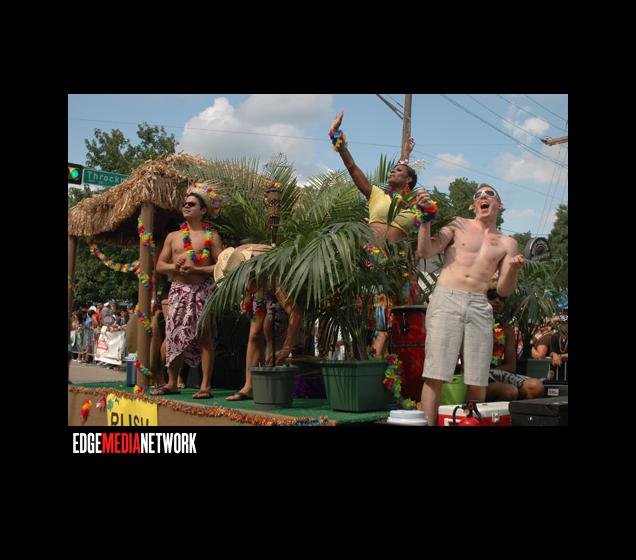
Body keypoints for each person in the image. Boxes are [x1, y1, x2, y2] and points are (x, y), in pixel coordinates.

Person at [416, 183, 525, 425]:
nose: (483, 197)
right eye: (478, 195)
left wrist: (513, 269)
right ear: (473, 205)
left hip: (479, 304)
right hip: (447, 298)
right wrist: (425, 220)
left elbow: (504, 290)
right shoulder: (458, 224)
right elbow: (426, 251)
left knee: (477, 380)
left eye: (490, 194)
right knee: (435, 375)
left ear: (500, 205)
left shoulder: (508, 243)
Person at [329, 110, 420, 355]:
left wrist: (405, 157)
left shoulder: (415, 207)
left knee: (399, 325)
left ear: (409, 181)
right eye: (392, 170)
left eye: (398, 171)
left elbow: (421, 239)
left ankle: (393, 368)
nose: (391, 172)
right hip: (372, 267)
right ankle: (370, 363)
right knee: (373, 322)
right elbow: (352, 167)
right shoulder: (376, 194)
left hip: (399, 271)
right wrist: (336, 136)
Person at [152, 183, 222, 398]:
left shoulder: (212, 236)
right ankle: (172, 382)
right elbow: (159, 266)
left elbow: (221, 267)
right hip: (178, 291)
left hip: (202, 291)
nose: (186, 206)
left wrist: (197, 270)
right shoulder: (173, 236)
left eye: (192, 204)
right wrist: (174, 267)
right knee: (174, 335)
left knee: (204, 336)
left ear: (203, 210)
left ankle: (205, 386)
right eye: (185, 204)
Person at [215, 245, 304, 402]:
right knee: (254, 333)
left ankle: (274, 388)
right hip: (261, 288)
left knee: (272, 331)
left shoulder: (273, 278)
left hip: (278, 282)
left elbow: (296, 313)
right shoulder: (237, 256)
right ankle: (249, 386)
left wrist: (286, 348)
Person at [485, 287, 545, 401]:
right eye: (492, 295)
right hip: (472, 378)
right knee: (509, 391)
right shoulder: (468, 324)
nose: (497, 300)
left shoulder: (506, 329)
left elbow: (511, 366)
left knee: (536, 387)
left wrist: (492, 372)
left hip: (496, 373)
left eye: (502, 298)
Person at [547, 308, 568, 381]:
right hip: (558, 372)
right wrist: (554, 354)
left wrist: (559, 356)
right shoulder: (555, 336)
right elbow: (551, 351)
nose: (564, 325)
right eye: (562, 323)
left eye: (566, 323)